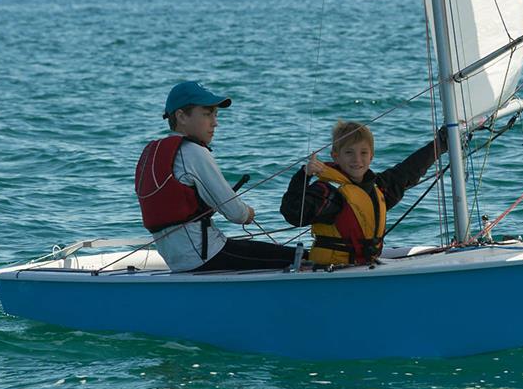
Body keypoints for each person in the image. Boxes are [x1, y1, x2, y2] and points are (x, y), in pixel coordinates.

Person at [135, 81, 297, 272]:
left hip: (177, 260)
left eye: (216, 114)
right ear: (181, 116)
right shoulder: (193, 152)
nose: (215, 122)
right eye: (207, 113)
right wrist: (248, 214)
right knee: (297, 257)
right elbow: (236, 214)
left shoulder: (152, 154)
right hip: (207, 256)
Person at [280, 120, 448, 266]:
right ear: (335, 156)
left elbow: (410, 170)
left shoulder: (378, 188)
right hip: (330, 272)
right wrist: (303, 175)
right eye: (349, 152)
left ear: (371, 156)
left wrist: (442, 143)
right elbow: (293, 214)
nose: (357, 159)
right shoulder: (328, 192)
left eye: (363, 153)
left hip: (364, 267)